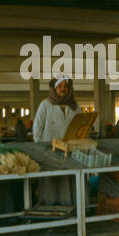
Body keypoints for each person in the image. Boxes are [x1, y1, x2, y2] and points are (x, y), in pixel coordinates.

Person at [33, 75, 80, 205]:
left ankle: (71, 211)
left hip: (70, 152)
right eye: (59, 86)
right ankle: (50, 209)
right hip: (50, 152)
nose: (63, 89)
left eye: (65, 86)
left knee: (69, 181)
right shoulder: (45, 105)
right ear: (54, 88)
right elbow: (37, 130)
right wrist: (43, 148)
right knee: (51, 184)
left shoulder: (75, 106)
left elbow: (81, 127)